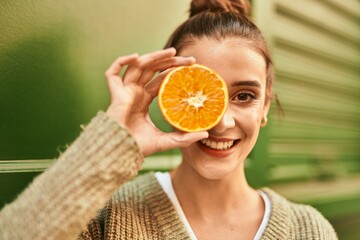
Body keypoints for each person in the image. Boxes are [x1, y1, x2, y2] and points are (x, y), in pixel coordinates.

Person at [0, 0, 337, 239]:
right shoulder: (107, 217)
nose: (221, 123)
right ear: (166, 96)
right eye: (197, 95)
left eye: (244, 96)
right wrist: (113, 142)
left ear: (264, 106)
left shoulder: (308, 230)